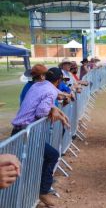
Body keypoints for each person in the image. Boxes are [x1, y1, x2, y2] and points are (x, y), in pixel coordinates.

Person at [11, 67, 69, 206]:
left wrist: (55, 107)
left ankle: (34, 190)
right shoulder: (50, 90)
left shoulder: (38, 85)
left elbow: (52, 94)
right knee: (52, 155)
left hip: (21, 130)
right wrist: (51, 110)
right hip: (27, 132)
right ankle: (42, 191)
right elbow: (42, 111)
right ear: (59, 80)